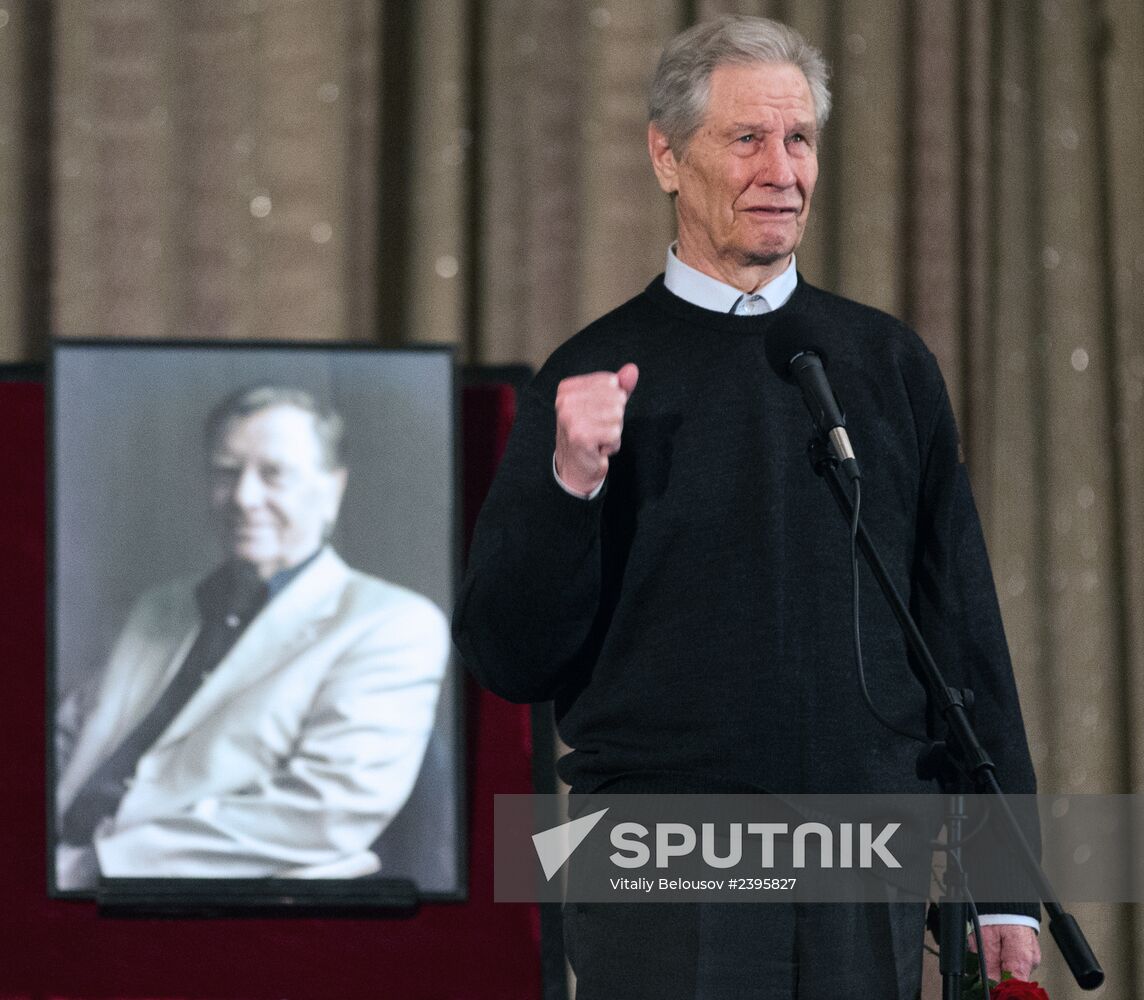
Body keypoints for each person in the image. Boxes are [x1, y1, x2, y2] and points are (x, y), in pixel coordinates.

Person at [454, 14, 1040, 998]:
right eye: (746, 139)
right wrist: (570, 483)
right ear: (667, 156)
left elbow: (961, 632)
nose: (781, 170)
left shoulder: (888, 364)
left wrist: (1004, 882)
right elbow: (509, 656)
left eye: (798, 138)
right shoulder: (591, 375)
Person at [56, 385, 449, 891]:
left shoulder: (392, 623)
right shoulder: (160, 607)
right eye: (225, 472)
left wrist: (94, 867)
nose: (243, 497)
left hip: (156, 896)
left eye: (274, 473)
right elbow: (65, 741)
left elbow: (323, 813)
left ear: (332, 489)